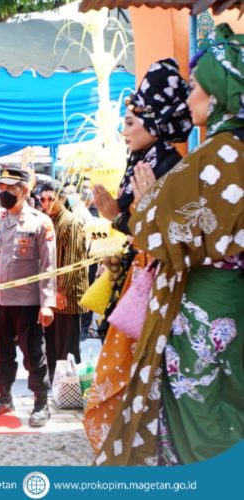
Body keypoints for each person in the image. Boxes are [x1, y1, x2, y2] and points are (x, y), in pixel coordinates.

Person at [97, 25, 244, 466]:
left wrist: (142, 208)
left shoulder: (222, 156)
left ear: (217, 95)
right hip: (219, 298)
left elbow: (175, 241)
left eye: (196, 87)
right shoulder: (224, 152)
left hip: (205, 301)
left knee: (202, 410)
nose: (188, 97)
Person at [86, 58, 193, 455]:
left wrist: (121, 216)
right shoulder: (147, 161)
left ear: (156, 122)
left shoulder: (170, 166)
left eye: (131, 121)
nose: (123, 129)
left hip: (155, 284)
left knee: (142, 371)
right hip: (140, 279)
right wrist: (120, 215)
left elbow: (165, 237)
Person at [0, 167, 56, 427]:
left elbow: (49, 266)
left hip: (27, 304)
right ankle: (4, 397)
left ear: (25, 190)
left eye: (10, 188)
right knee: (0, 354)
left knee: (33, 355)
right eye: (1, 187)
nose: (3, 192)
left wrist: (48, 303)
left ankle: (40, 403)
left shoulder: (40, 223)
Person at [38, 182, 88, 381]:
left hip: (67, 295)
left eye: (51, 198)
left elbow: (73, 261)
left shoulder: (70, 222)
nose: (47, 203)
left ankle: (70, 385)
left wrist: (61, 291)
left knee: (67, 346)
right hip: (51, 294)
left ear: (61, 198)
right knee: (51, 342)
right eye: (43, 199)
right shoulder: (48, 221)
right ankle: (56, 382)